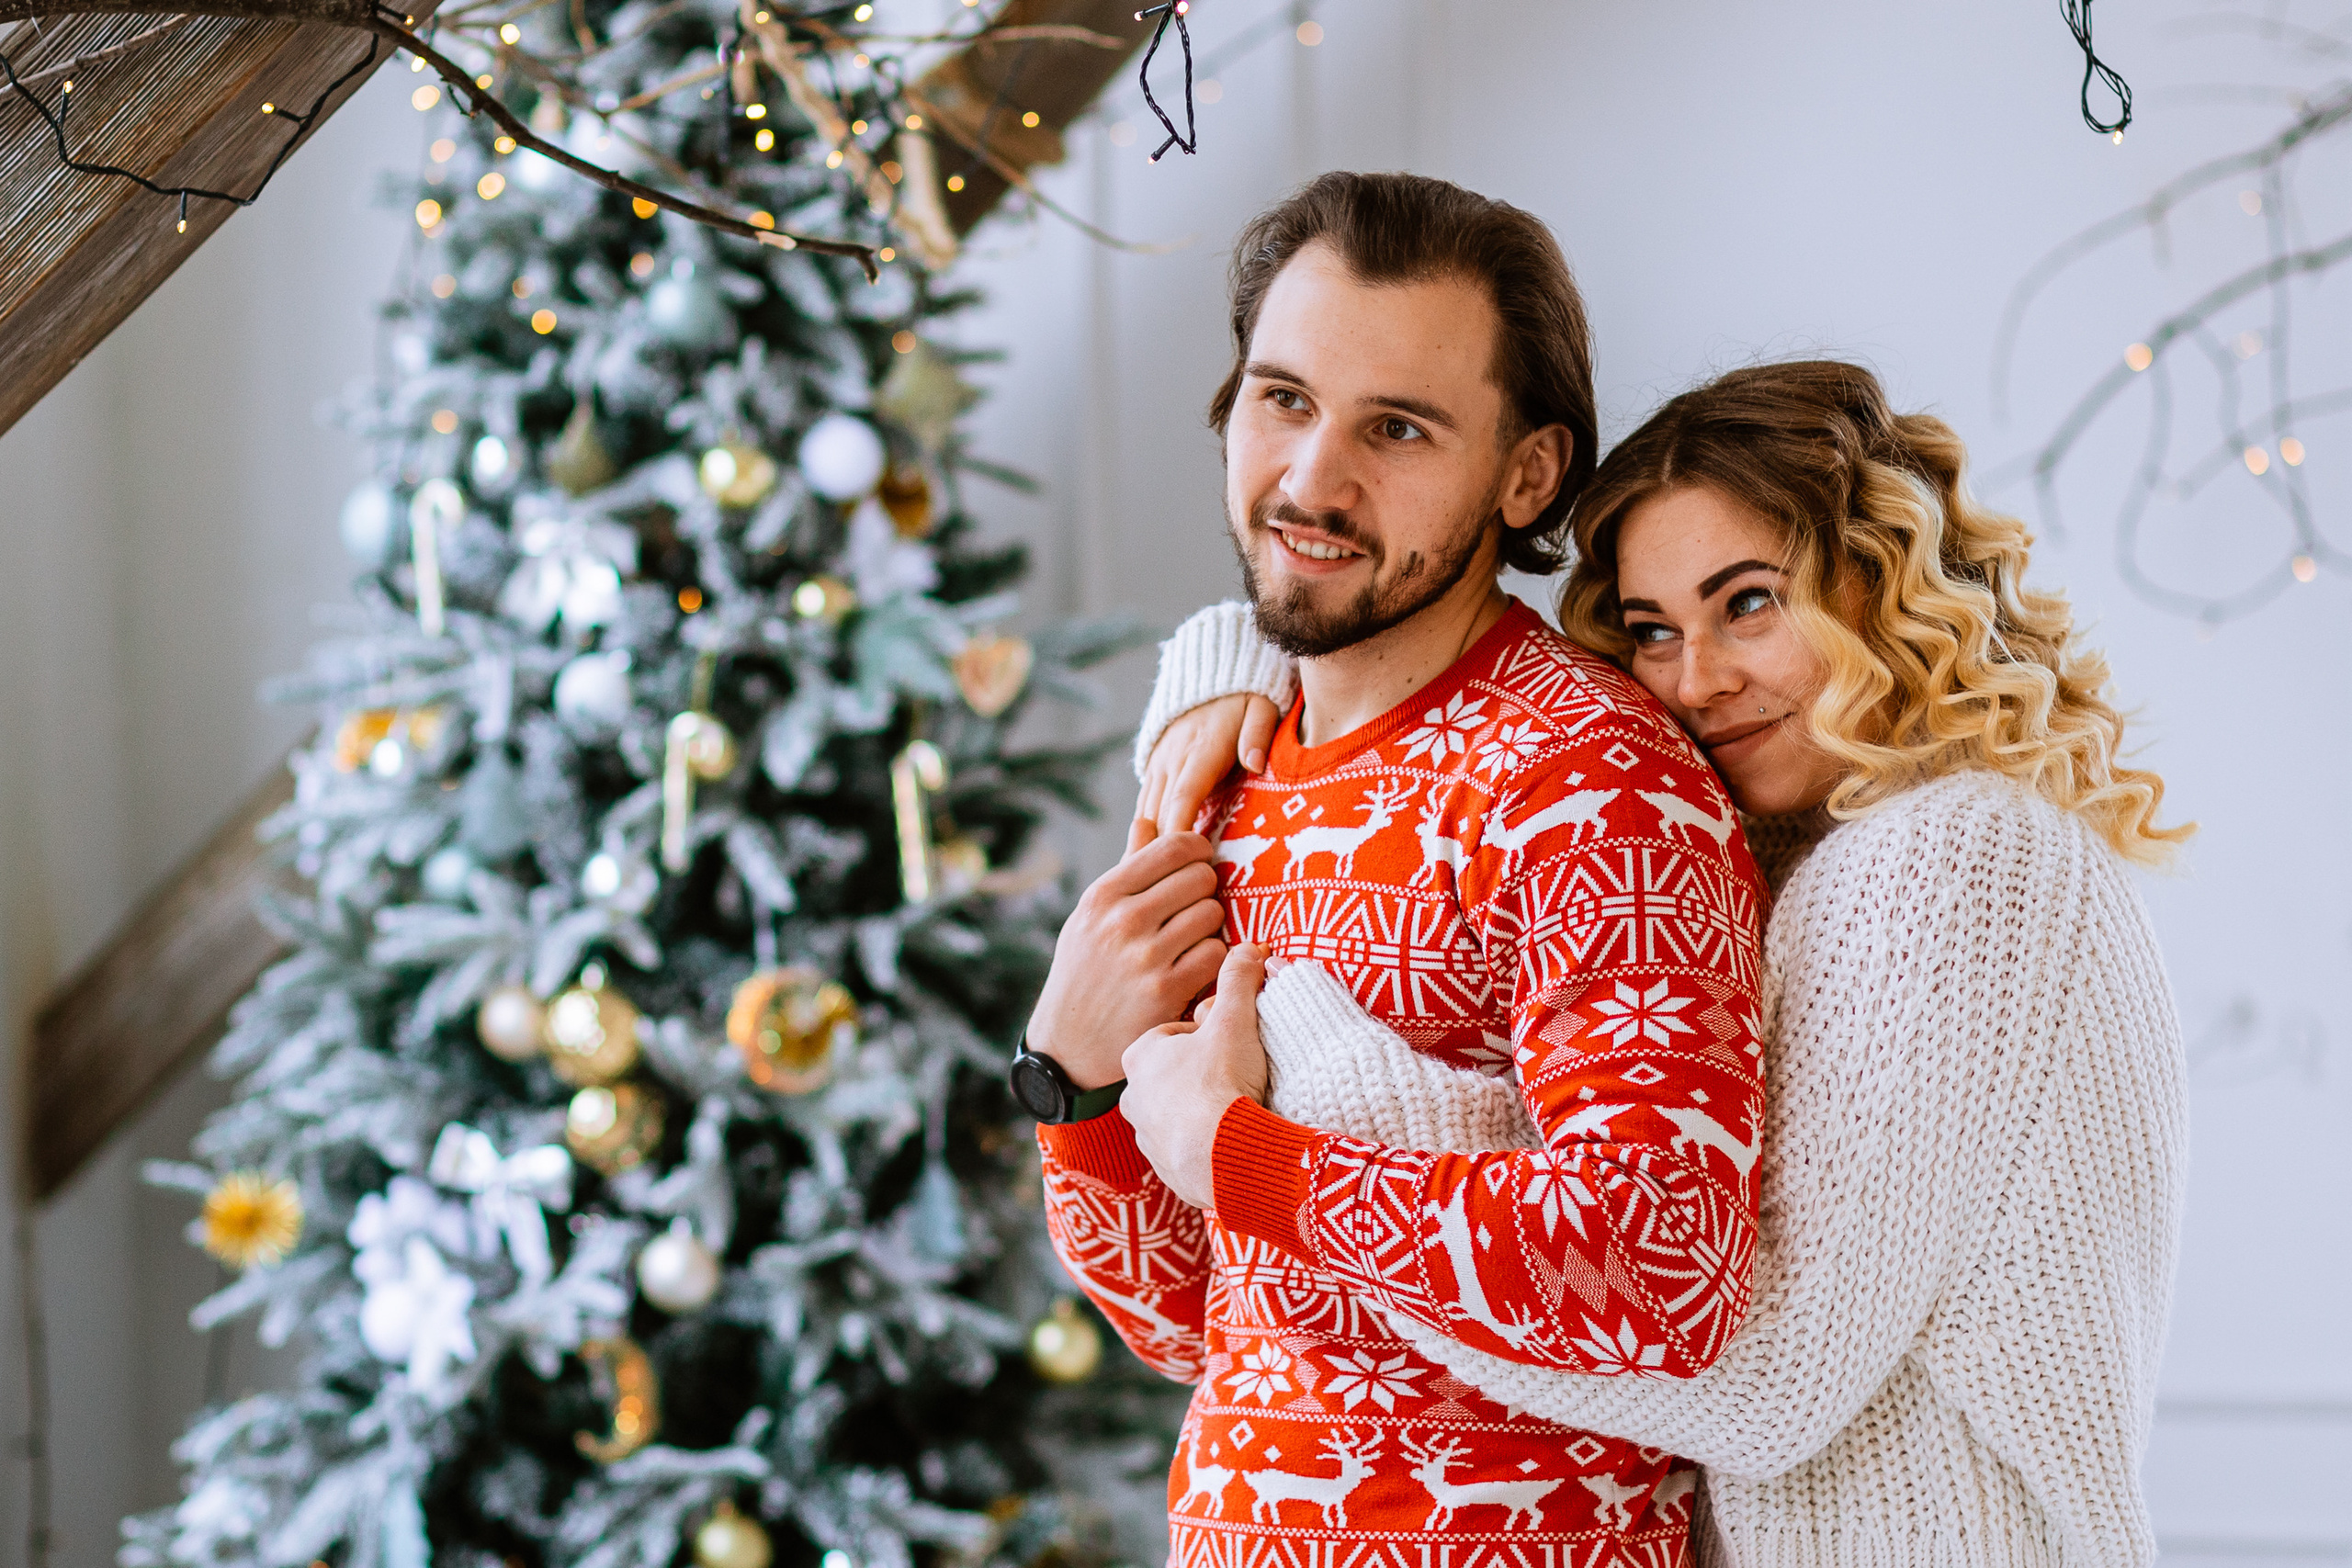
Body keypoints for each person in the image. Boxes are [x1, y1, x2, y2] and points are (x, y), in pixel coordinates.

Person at [1134, 359, 2191, 1568]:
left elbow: (1759, 1371)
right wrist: (1243, 660)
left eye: (1749, 602)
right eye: (1653, 631)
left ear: (1880, 579)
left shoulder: (1955, 861)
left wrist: (1289, 1081)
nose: (1697, 681)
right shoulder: (1831, 854)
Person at [1012, 172, 1771, 1565]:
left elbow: (1669, 1270)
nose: (1310, 479)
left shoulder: (1587, 784)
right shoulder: (1220, 772)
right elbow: (1195, 1317)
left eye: (1399, 428)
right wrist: (1072, 1085)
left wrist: (1245, 1157)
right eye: (1282, 397)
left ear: (1528, 473)